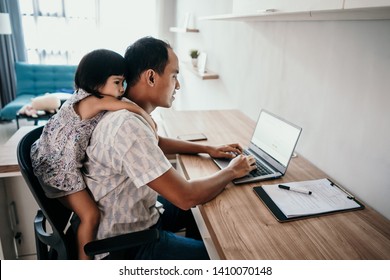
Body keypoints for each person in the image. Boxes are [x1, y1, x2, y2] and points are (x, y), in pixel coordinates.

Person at [82, 37, 256, 259]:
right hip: (126, 246)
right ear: (151, 77)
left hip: (139, 216)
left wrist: (208, 149)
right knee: (227, 257)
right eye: (174, 76)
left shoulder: (128, 112)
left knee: (203, 210)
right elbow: (186, 196)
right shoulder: (128, 126)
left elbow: (157, 142)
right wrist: (232, 170)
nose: (179, 85)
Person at [30, 49, 157, 260]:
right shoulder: (92, 101)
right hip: (58, 171)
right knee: (90, 215)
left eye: (123, 82)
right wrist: (147, 118)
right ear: (96, 81)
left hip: (52, 160)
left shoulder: (84, 97)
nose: (121, 89)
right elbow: (122, 105)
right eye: (117, 82)